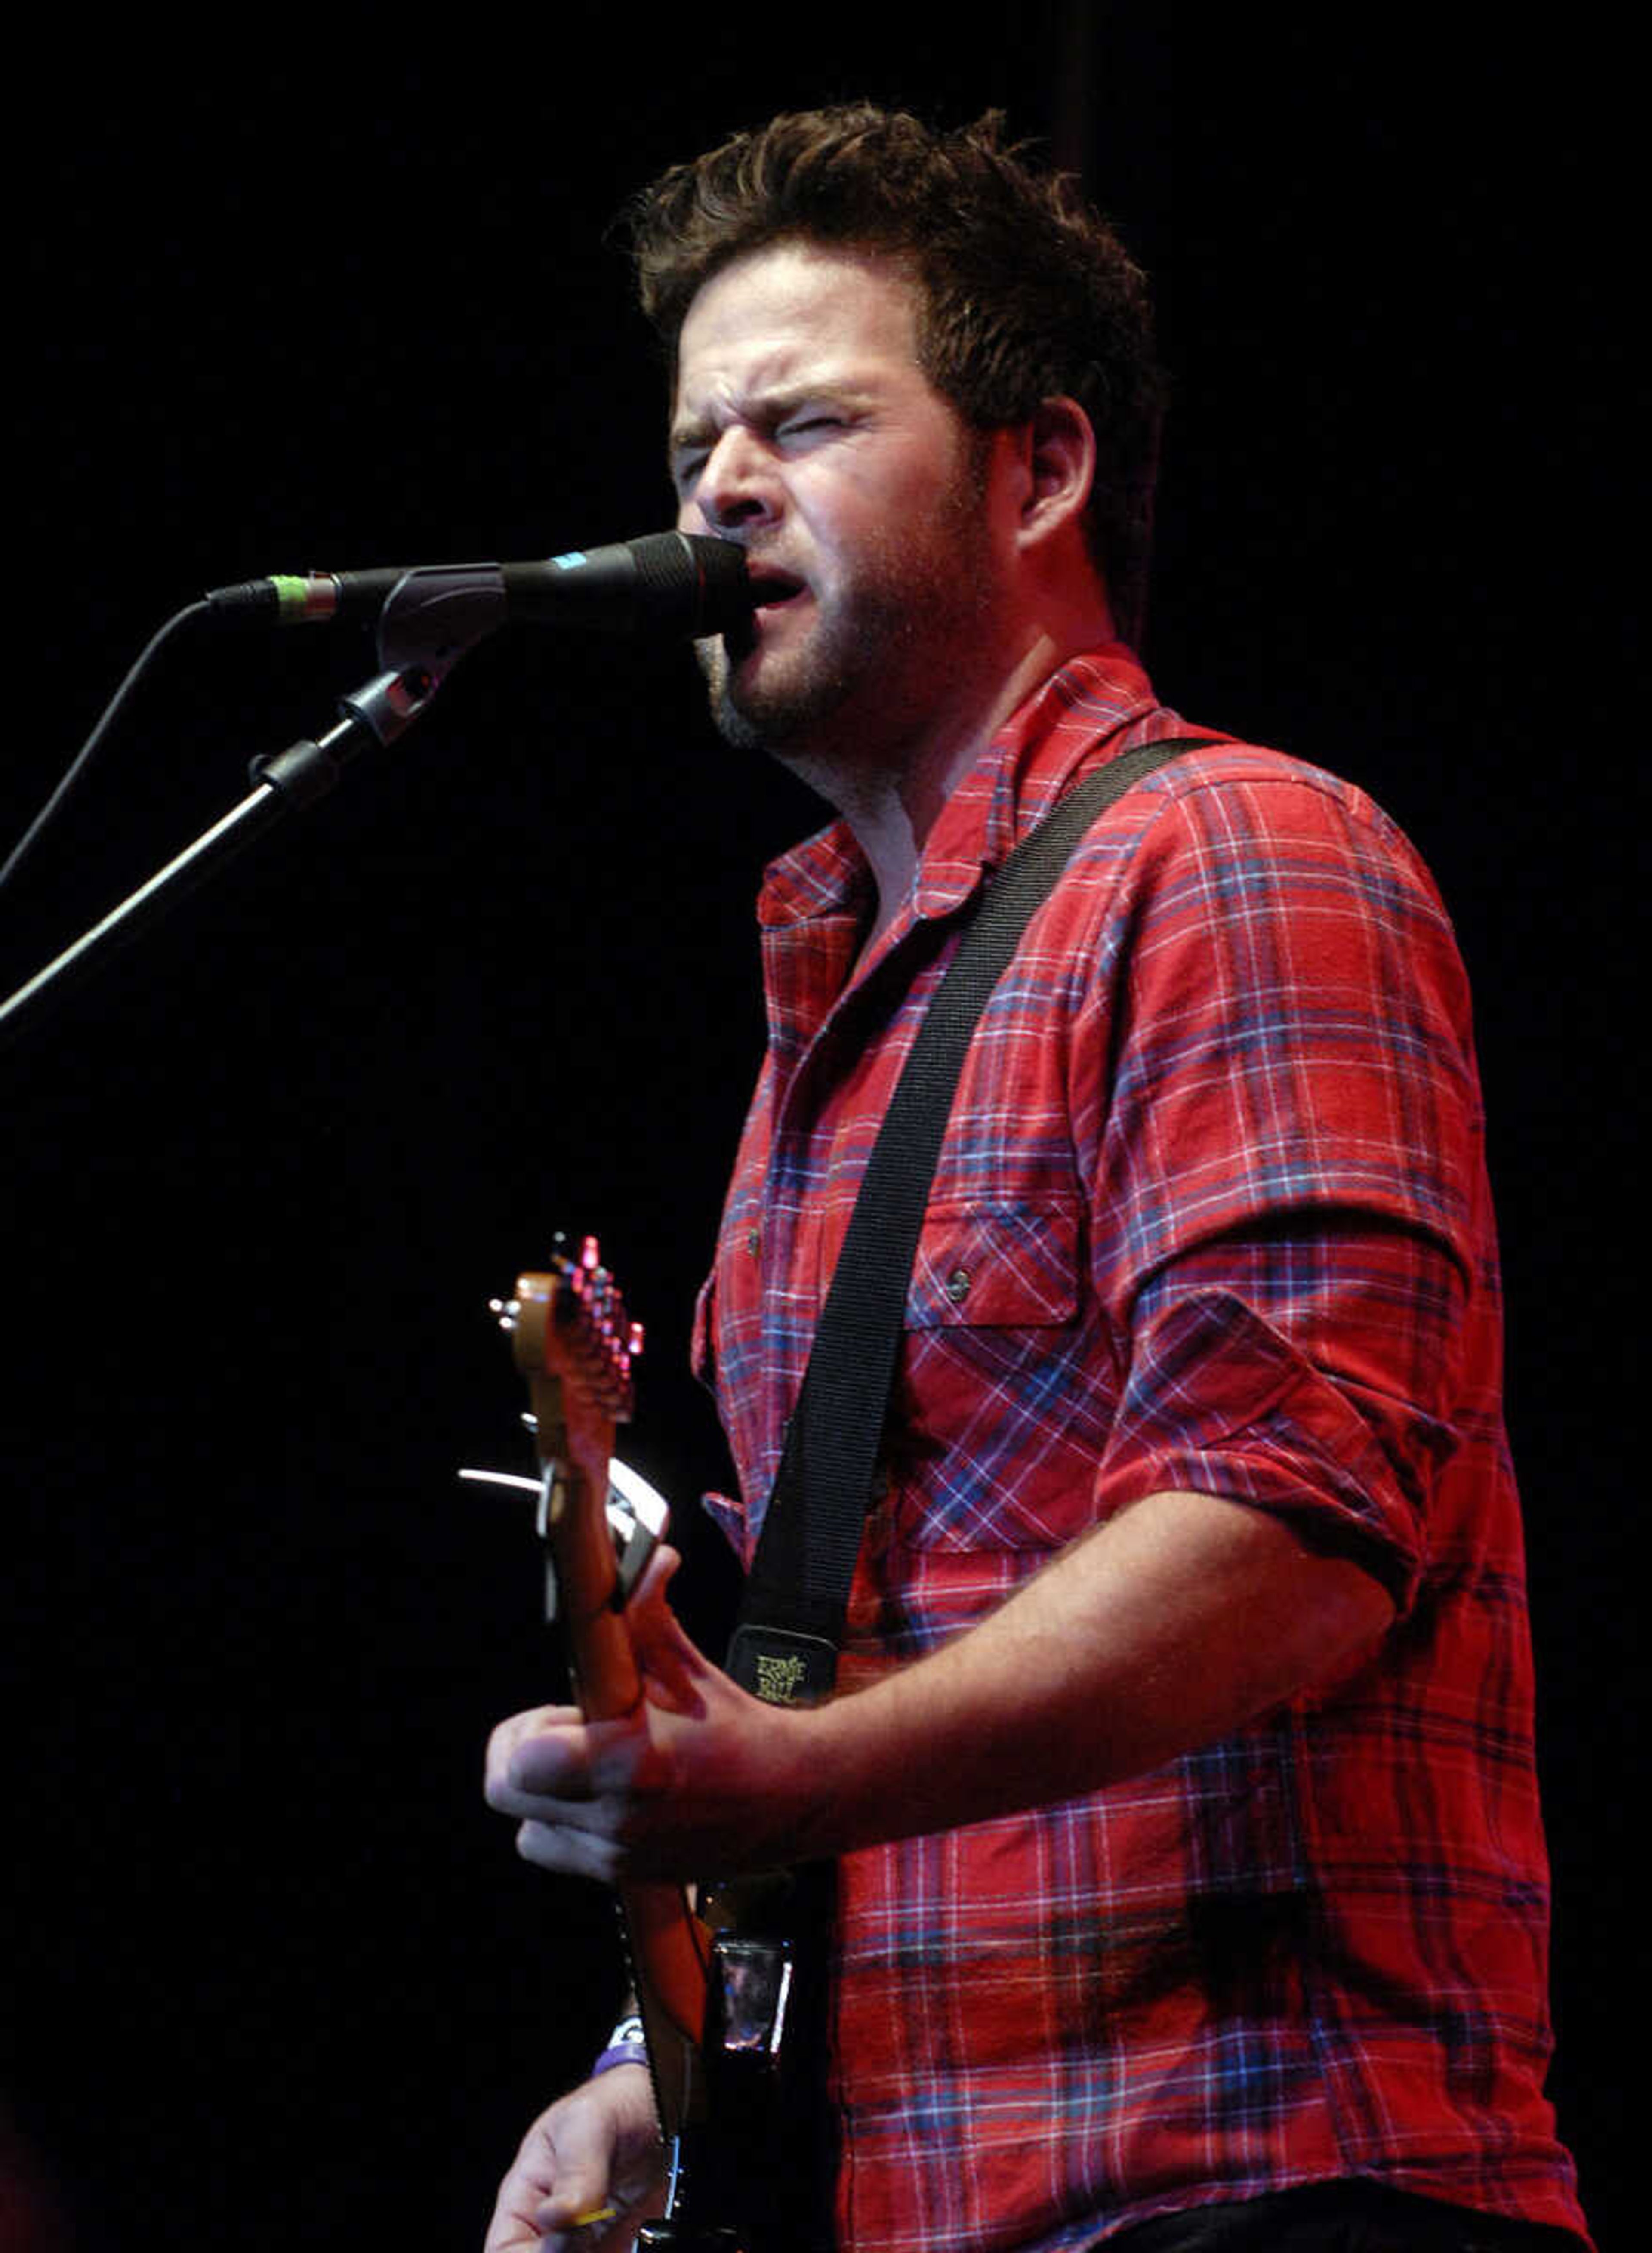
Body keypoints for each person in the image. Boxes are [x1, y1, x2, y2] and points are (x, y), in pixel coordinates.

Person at [482, 106, 1592, 2253]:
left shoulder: (1239, 857)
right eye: (697, 436)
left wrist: (797, 1772)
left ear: (1042, 467)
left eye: (803, 420)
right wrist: (663, 2073)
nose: (718, 488)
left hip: (1261, 2172)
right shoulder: (830, 1010)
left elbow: (1296, 1523)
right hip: (932, 2187)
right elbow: (848, 1670)